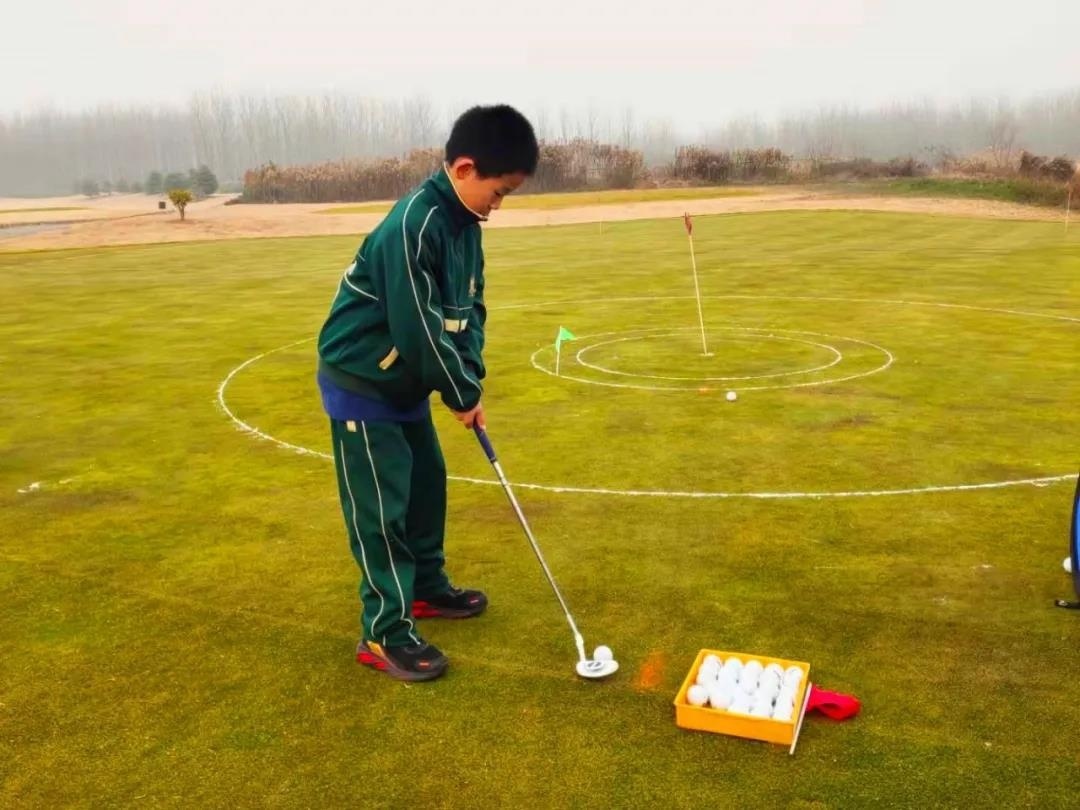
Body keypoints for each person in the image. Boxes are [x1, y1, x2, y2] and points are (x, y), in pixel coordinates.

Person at [316, 105, 539, 681]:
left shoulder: (463, 227)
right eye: (500, 190)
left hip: (406, 382)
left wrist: (471, 377)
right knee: (381, 510)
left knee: (425, 486)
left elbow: (468, 308)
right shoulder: (412, 224)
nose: (499, 204)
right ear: (464, 168)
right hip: (364, 381)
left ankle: (425, 590)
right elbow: (417, 323)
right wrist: (459, 391)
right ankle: (384, 632)